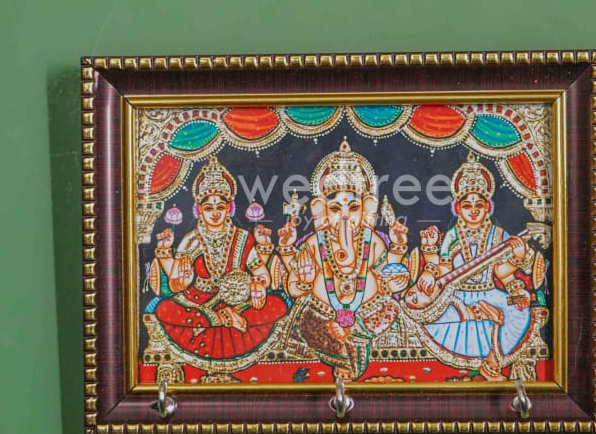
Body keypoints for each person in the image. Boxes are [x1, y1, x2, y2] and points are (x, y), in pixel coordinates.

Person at [276, 138, 408, 381]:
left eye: (353, 208)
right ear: (322, 210)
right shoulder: (315, 243)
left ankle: (352, 335)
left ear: (366, 209)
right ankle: (340, 352)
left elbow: (388, 277)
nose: (345, 216)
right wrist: (300, 272)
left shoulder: (372, 241)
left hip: (366, 313)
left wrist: (398, 247)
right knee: (307, 320)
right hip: (322, 313)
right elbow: (293, 288)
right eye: (336, 209)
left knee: (391, 308)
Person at [150, 156, 287, 366]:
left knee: (277, 304)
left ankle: (230, 316)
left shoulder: (242, 238)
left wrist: (258, 286)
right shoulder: (191, 240)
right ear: (199, 210)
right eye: (209, 208)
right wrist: (181, 282)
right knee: (164, 309)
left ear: (228, 208)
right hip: (198, 303)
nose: (215, 214)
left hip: (238, 302)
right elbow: (175, 283)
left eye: (220, 207)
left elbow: (261, 274)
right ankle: (221, 319)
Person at [412, 154, 537, 380]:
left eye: (479, 205)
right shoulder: (452, 236)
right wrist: (430, 265)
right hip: (458, 296)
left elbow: (502, 274)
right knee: (435, 315)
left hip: (492, 294)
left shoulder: (499, 235)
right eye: (467, 206)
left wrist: (517, 261)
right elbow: (445, 270)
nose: (473, 210)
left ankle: (492, 363)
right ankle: (477, 320)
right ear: (458, 208)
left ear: (487, 207)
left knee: (519, 307)